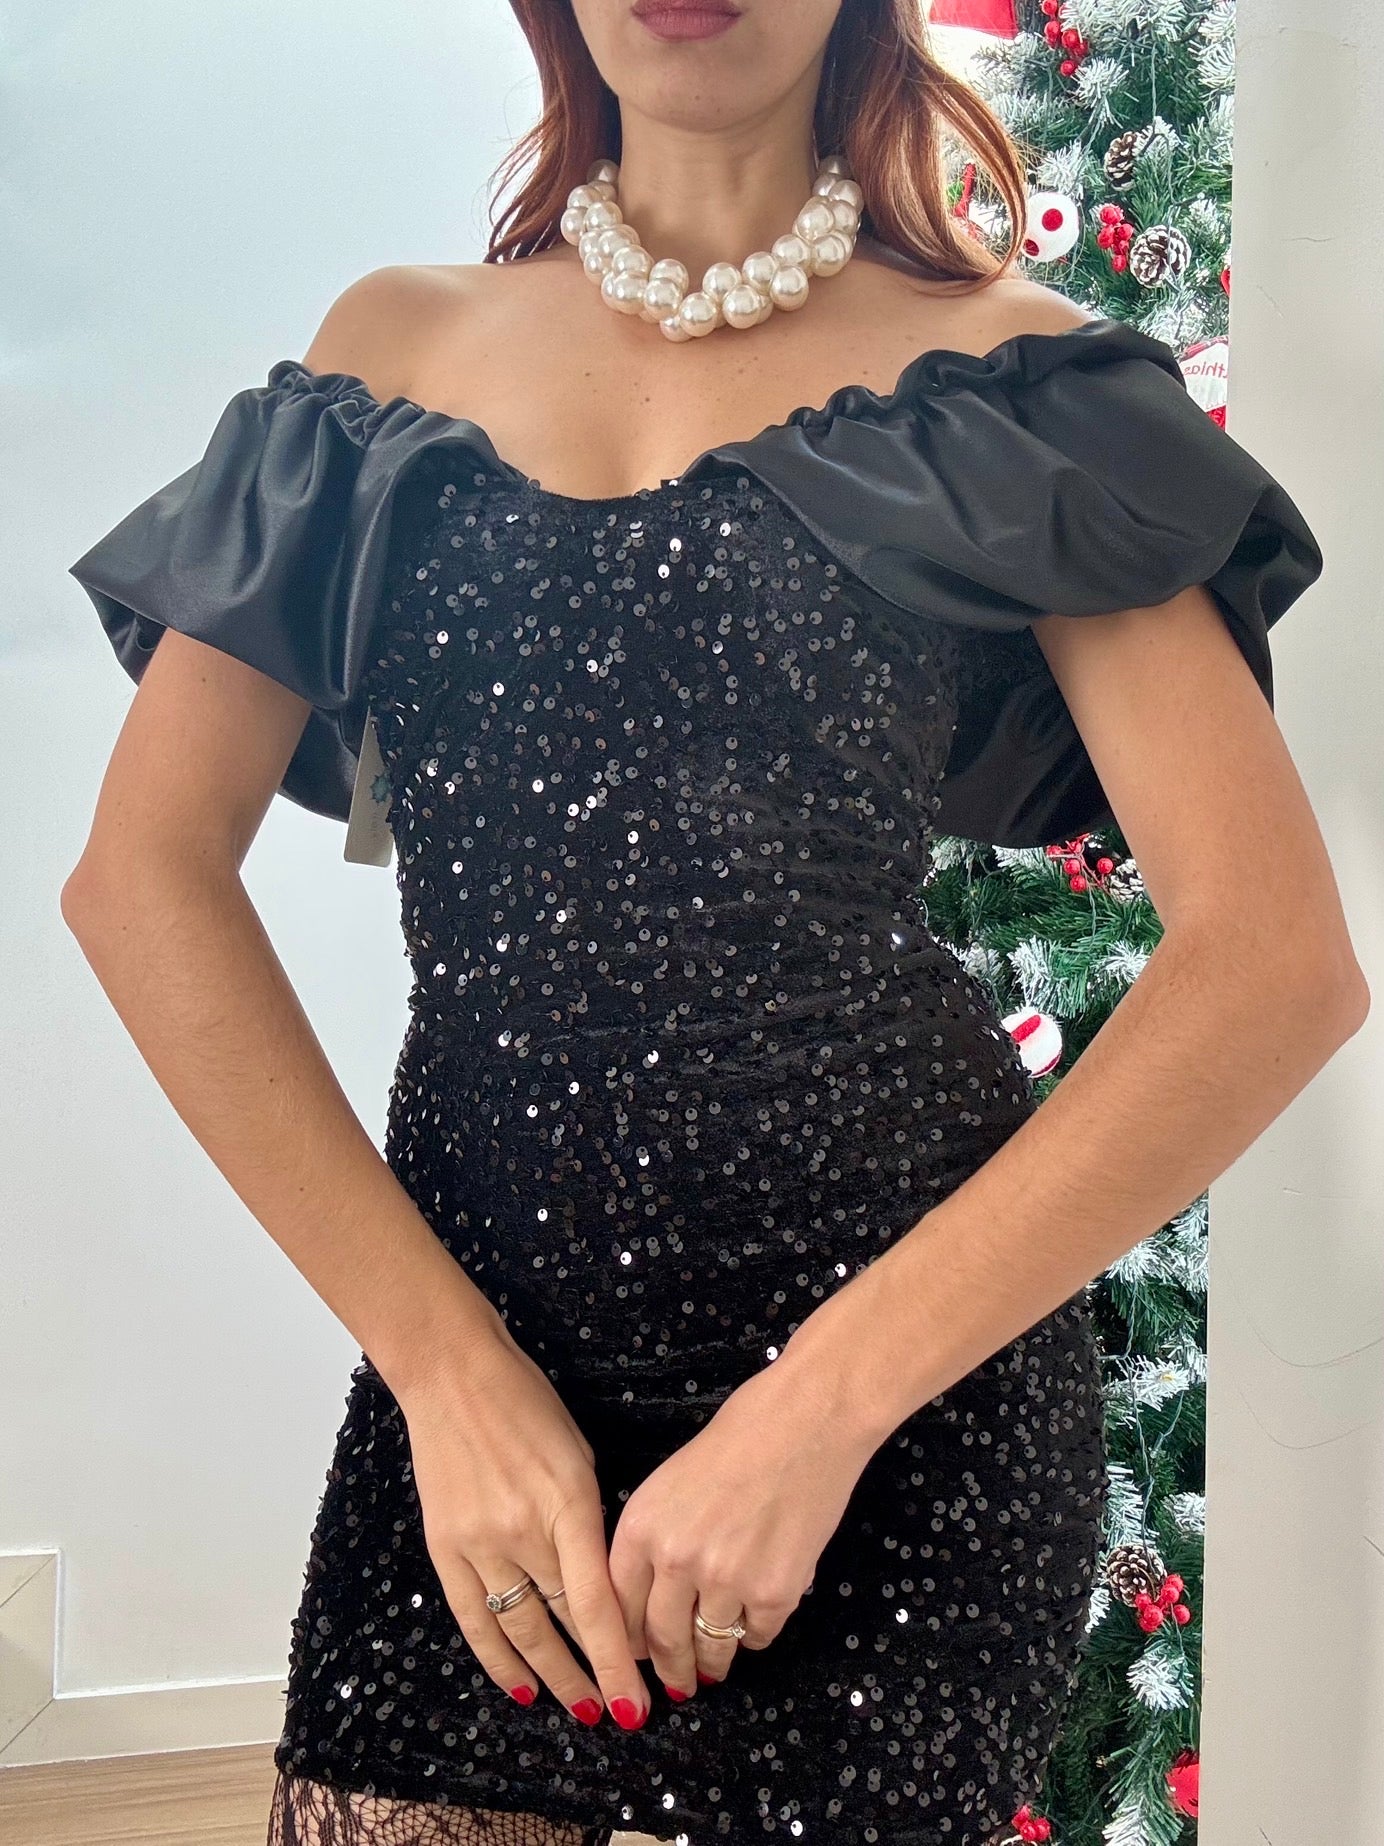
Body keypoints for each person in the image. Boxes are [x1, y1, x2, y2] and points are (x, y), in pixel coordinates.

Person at [61, 2, 1367, 1843]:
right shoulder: (388, 356)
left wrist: (817, 1412)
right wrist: (445, 1374)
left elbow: (1276, 961)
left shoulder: (1016, 386)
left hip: (894, 1423)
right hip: (479, 1374)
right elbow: (141, 880)